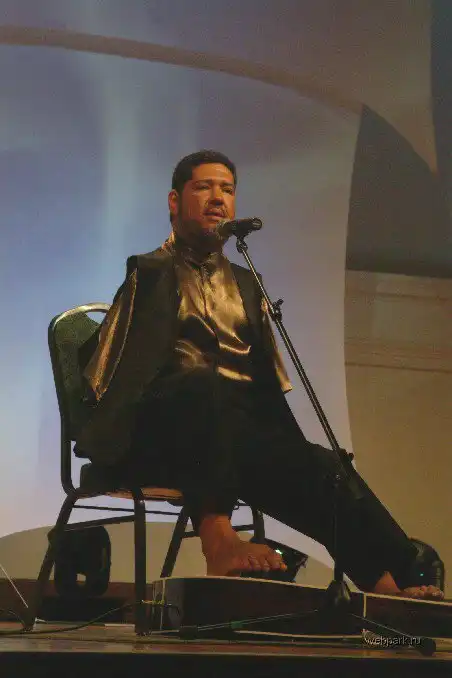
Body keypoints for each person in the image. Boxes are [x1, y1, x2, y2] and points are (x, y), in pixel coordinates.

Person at [76, 150, 443, 600]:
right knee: (204, 382)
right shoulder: (149, 273)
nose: (218, 198)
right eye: (204, 187)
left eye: (227, 189)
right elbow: (113, 375)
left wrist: (290, 452)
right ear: (174, 201)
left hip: (234, 439)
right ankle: (218, 539)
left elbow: (266, 388)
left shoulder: (247, 284)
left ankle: (388, 581)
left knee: (323, 465)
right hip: (163, 435)